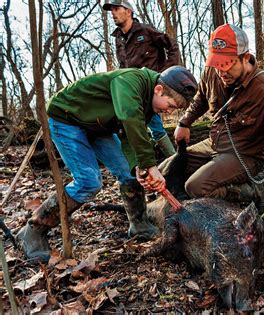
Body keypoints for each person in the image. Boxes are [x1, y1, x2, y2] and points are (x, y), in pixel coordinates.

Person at [16, 66, 198, 262]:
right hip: (67, 118)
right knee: (89, 181)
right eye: (170, 105)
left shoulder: (148, 102)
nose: (168, 111)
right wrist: (150, 165)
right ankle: (33, 230)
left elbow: (130, 133)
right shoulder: (130, 80)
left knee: (129, 173)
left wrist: (139, 166)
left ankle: (139, 225)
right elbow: (129, 116)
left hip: (98, 126)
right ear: (159, 90)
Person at [160, 24, 264, 213]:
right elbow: (202, 98)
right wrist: (184, 122)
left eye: (227, 65)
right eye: (217, 65)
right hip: (215, 143)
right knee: (166, 170)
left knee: (195, 187)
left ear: (245, 58)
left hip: (248, 154)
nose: (221, 72)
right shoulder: (213, 72)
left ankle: (249, 192)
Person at [103, 0, 181, 158]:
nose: (113, 13)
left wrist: (165, 73)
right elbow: (123, 64)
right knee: (131, 126)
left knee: (156, 127)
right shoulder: (118, 37)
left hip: (150, 87)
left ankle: (175, 161)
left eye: (116, 9)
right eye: (111, 10)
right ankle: (145, 165)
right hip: (130, 90)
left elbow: (172, 45)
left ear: (128, 11)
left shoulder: (146, 31)